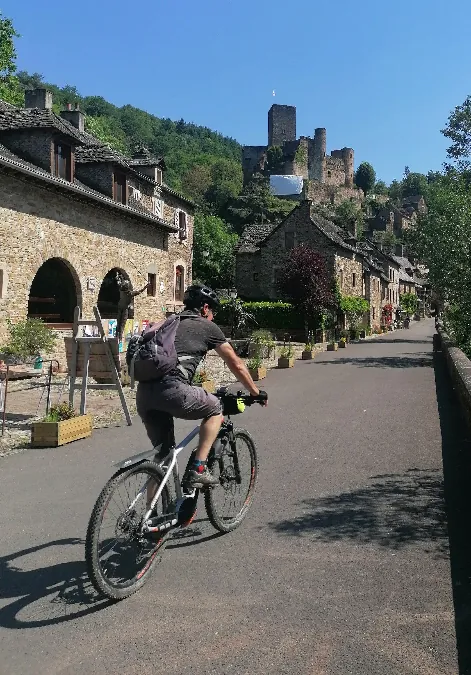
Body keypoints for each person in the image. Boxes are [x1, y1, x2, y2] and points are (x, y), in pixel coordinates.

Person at [136, 284, 267, 488]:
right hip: (172, 390)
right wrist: (256, 392)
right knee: (216, 408)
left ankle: (148, 516)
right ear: (205, 308)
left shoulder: (168, 322)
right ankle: (198, 469)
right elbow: (236, 363)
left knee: (163, 456)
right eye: (212, 311)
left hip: (144, 395)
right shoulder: (207, 326)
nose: (213, 316)